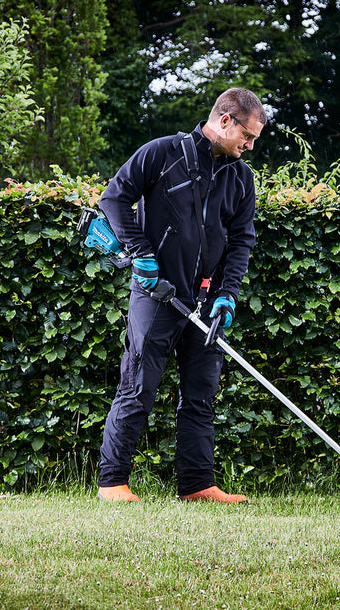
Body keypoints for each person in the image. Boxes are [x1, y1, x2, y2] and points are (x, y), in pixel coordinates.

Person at [97, 87, 266, 503]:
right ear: (224, 120)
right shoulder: (162, 153)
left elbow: (241, 241)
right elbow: (114, 199)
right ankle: (112, 483)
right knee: (138, 385)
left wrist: (227, 295)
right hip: (156, 294)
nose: (249, 145)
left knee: (200, 394)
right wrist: (141, 255)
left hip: (206, 300)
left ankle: (197, 485)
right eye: (248, 135)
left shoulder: (240, 178)